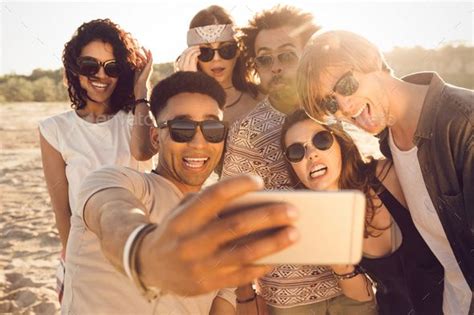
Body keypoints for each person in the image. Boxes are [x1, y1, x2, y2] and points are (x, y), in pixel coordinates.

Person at [61, 71, 300, 314]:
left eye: (212, 128)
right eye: (182, 128)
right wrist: (143, 252)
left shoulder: (222, 229)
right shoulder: (116, 181)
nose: (198, 142)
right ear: (156, 137)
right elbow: (111, 215)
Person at [297, 29, 473, 314]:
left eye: (346, 84)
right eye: (330, 103)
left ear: (372, 59)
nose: (345, 106)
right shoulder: (389, 143)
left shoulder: (465, 122)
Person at [221, 5, 359, 313]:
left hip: (355, 284)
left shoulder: (337, 113)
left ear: (308, 56)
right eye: (265, 59)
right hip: (289, 299)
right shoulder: (246, 132)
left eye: (286, 55)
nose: (276, 67)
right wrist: (244, 296)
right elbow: (233, 220)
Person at [281, 109, 445, 314]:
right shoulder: (319, 222)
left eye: (321, 140)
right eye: (296, 151)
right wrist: (339, 264)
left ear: (340, 142)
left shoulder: (385, 176)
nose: (311, 154)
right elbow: (364, 294)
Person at [38, 18, 156, 302]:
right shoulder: (54, 130)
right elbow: (62, 209)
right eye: (90, 66)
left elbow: (142, 153)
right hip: (85, 258)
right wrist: (72, 263)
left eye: (112, 67)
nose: (100, 75)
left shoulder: (137, 119)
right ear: (74, 68)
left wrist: (142, 93)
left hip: (140, 254)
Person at [175, 5, 261, 124]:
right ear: (194, 56)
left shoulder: (260, 97)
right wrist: (191, 86)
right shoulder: (177, 102)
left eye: (226, 49)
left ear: (237, 51)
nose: (216, 59)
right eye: (205, 52)